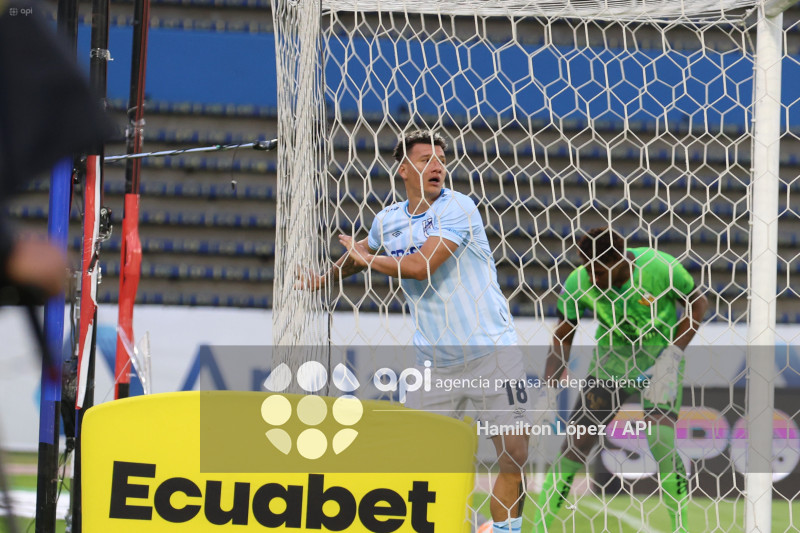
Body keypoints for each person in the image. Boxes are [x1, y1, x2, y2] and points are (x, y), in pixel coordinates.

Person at [299, 129, 529, 533]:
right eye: (426, 159)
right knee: (424, 463)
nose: (438, 165)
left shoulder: (459, 207)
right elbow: (360, 257)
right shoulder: (387, 220)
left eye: (441, 159)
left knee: (514, 453)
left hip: (493, 351)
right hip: (434, 364)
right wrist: (323, 279)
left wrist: (366, 258)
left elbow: (421, 266)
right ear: (404, 169)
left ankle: (503, 530)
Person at [533, 227, 709, 533]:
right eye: (587, 270)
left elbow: (698, 304)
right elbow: (562, 336)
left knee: (660, 440)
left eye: (599, 272)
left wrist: (673, 355)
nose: (592, 278)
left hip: (659, 365)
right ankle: (539, 529)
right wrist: (548, 390)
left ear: (621, 262)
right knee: (575, 445)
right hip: (610, 366)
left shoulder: (659, 267)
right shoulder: (579, 283)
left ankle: (681, 528)